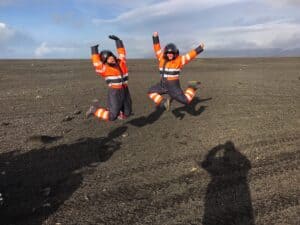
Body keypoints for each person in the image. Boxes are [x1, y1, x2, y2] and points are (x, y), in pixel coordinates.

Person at [148, 31, 205, 110]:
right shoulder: (161, 58)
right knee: (151, 92)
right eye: (168, 52)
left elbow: (189, 56)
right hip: (162, 85)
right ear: (165, 53)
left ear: (175, 53)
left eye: (172, 53)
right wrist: (155, 38)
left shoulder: (179, 60)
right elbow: (157, 49)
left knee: (186, 100)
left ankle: (192, 86)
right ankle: (164, 103)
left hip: (173, 87)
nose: (170, 54)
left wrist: (199, 48)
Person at [86, 35, 132, 121]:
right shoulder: (104, 69)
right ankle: (94, 110)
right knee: (112, 116)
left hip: (125, 90)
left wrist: (118, 41)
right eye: (108, 59)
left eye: (111, 57)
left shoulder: (121, 62)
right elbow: (96, 62)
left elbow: (122, 53)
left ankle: (119, 112)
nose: (111, 59)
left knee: (128, 113)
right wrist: (94, 49)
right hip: (115, 92)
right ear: (105, 61)